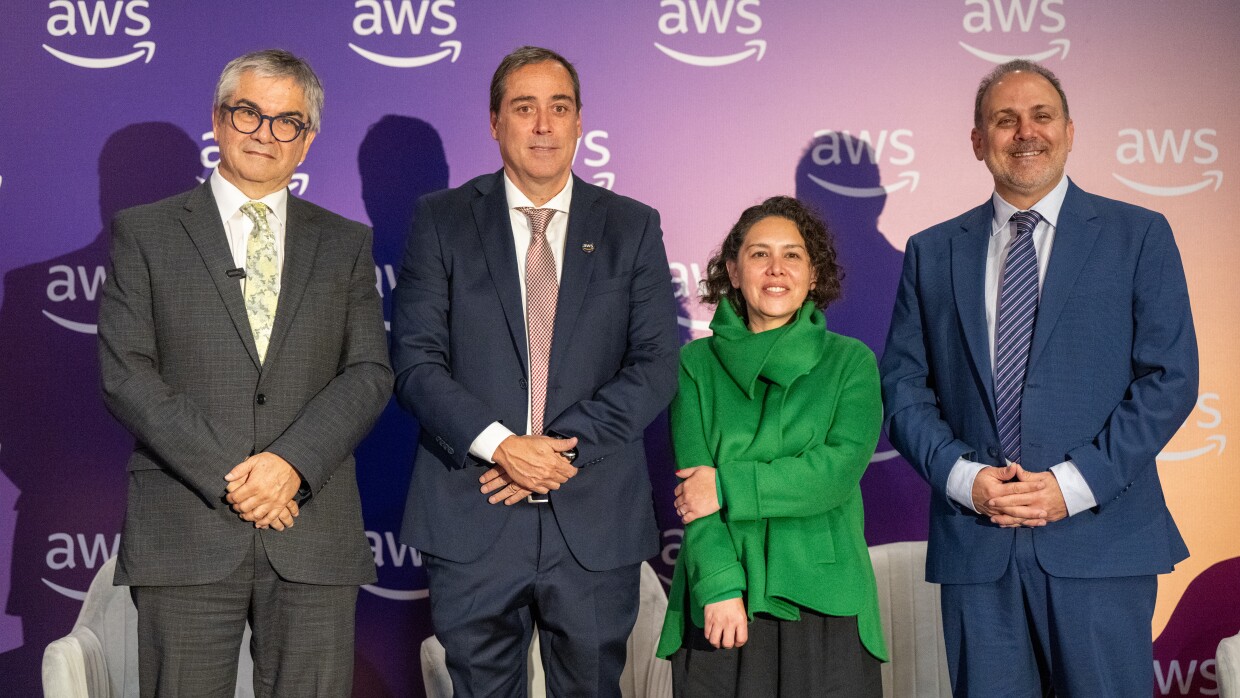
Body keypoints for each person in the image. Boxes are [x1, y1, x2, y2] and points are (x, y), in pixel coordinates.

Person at [880, 59, 1198, 697]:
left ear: (1070, 132)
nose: (1026, 132)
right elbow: (904, 388)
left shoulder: (1139, 235)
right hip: (978, 546)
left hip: (1101, 542)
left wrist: (1072, 485)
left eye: (1042, 116)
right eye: (1005, 120)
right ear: (978, 141)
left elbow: (1170, 378)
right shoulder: (931, 252)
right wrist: (965, 480)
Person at [98, 49, 392, 696]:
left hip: (309, 529)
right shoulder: (145, 233)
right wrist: (237, 477)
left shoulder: (345, 243)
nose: (265, 133)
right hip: (187, 528)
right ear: (218, 119)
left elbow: (369, 373)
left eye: (287, 121)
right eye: (248, 113)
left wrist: (289, 465)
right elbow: (126, 373)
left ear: (307, 140)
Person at [391, 46, 680, 697]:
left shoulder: (632, 226)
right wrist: (503, 447)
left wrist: (553, 452)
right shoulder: (441, 220)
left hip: (594, 517)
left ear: (580, 123)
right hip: (475, 508)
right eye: (525, 108)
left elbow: (656, 365)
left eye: (560, 107)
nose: (544, 125)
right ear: (495, 122)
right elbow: (415, 363)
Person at [657, 196, 888, 697]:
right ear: (733, 272)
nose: (776, 268)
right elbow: (694, 497)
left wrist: (726, 485)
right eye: (760, 254)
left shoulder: (852, 362)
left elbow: (834, 474)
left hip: (824, 598)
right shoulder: (694, 364)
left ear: (813, 274)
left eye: (793, 255)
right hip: (723, 603)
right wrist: (719, 584)